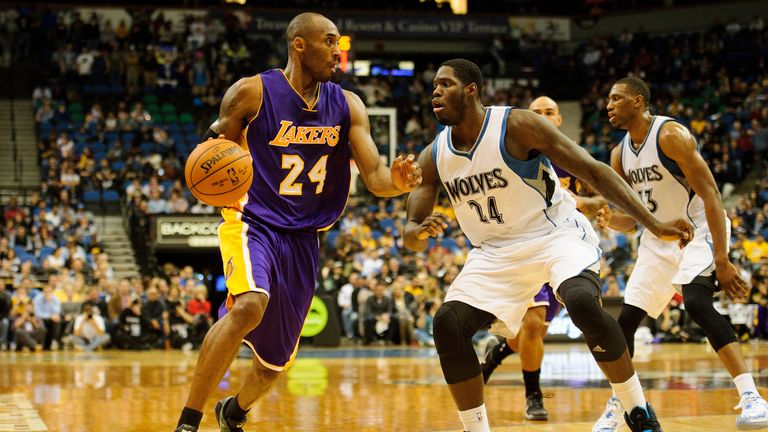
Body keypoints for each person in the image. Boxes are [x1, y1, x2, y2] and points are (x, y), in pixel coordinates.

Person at [403, 59, 692, 432]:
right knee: (447, 324)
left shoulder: (516, 125)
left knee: (582, 302)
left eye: (445, 84)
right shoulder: (433, 154)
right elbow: (410, 235)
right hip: (495, 252)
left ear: (471, 89)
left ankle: (637, 410)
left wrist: (653, 223)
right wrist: (418, 233)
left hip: (555, 234)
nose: (436, 92)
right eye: (434, 87)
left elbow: (594, 170)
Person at [175, 12, 421, 432]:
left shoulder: (348, 105)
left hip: (305, 237)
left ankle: (233, 411)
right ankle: (188, 422)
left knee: (273, 365)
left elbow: (377, 177)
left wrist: (398, 183)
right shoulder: (251, 93)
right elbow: (211, 153)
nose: (338, 52)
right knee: (248, 305)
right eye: (330, 41)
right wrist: (210, 168)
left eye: (339, 42)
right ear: (299, 45)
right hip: (253, 221)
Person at [592, 76, 768, 432]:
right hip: (658, 239)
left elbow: (712, 194)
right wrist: (609, 220)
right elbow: (632, 221)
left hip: (698, 230)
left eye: (616, 98)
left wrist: (722, 259)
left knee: (697, 304)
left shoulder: (670, 135)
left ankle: (752, 396)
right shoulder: (619, 154)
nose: (608, 105)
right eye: (608, 99)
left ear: (638, 101)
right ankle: (623, 404)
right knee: (625, 323)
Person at [480, 95, 607, 421]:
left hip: (564, 248)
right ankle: (533, 396)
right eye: (536, 112)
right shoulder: (511, 154)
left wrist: (595, 206)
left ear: (559, 120)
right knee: (534, 324)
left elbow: (598, 196)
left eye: (549, 112)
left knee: (531, 334)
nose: (543, 116)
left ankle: (498, 352)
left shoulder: (573, 156)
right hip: (527, 245)